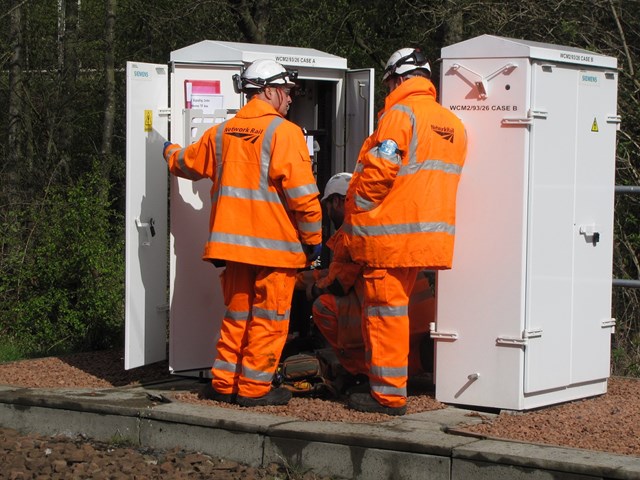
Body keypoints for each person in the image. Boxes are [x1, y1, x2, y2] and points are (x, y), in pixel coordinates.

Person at [163, 59, 322, 407]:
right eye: (287, 91)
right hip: (274, 250)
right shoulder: (285, 133)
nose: (291, 98)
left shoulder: (221, 133)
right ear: (268, 90)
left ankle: (224, 383)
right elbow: (304, 196)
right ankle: (253, 389)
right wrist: (313, 241)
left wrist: (165, 149)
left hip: (233, 250)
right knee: (269, 320)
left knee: (237, 316)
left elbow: (186, 163)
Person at [342, 48, 467, 415]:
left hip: (388, 239)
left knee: (385, 314)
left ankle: (387, 395)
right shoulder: (452, 123)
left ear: (396, 80)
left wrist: (358, 213)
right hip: (426, 239)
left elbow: (380, 170)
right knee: (397, 313)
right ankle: (391, 386)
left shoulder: (399, 114)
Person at [305, 173, 434, 389]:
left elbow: (337, 284)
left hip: (389, 324)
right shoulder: (383, 220)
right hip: (419, 327)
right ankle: (406, 368)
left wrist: (311, 289)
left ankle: (359, 371)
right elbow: (347, 271)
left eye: (328, 205)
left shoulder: (352, 228)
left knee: (322, 306)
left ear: (336, 201)